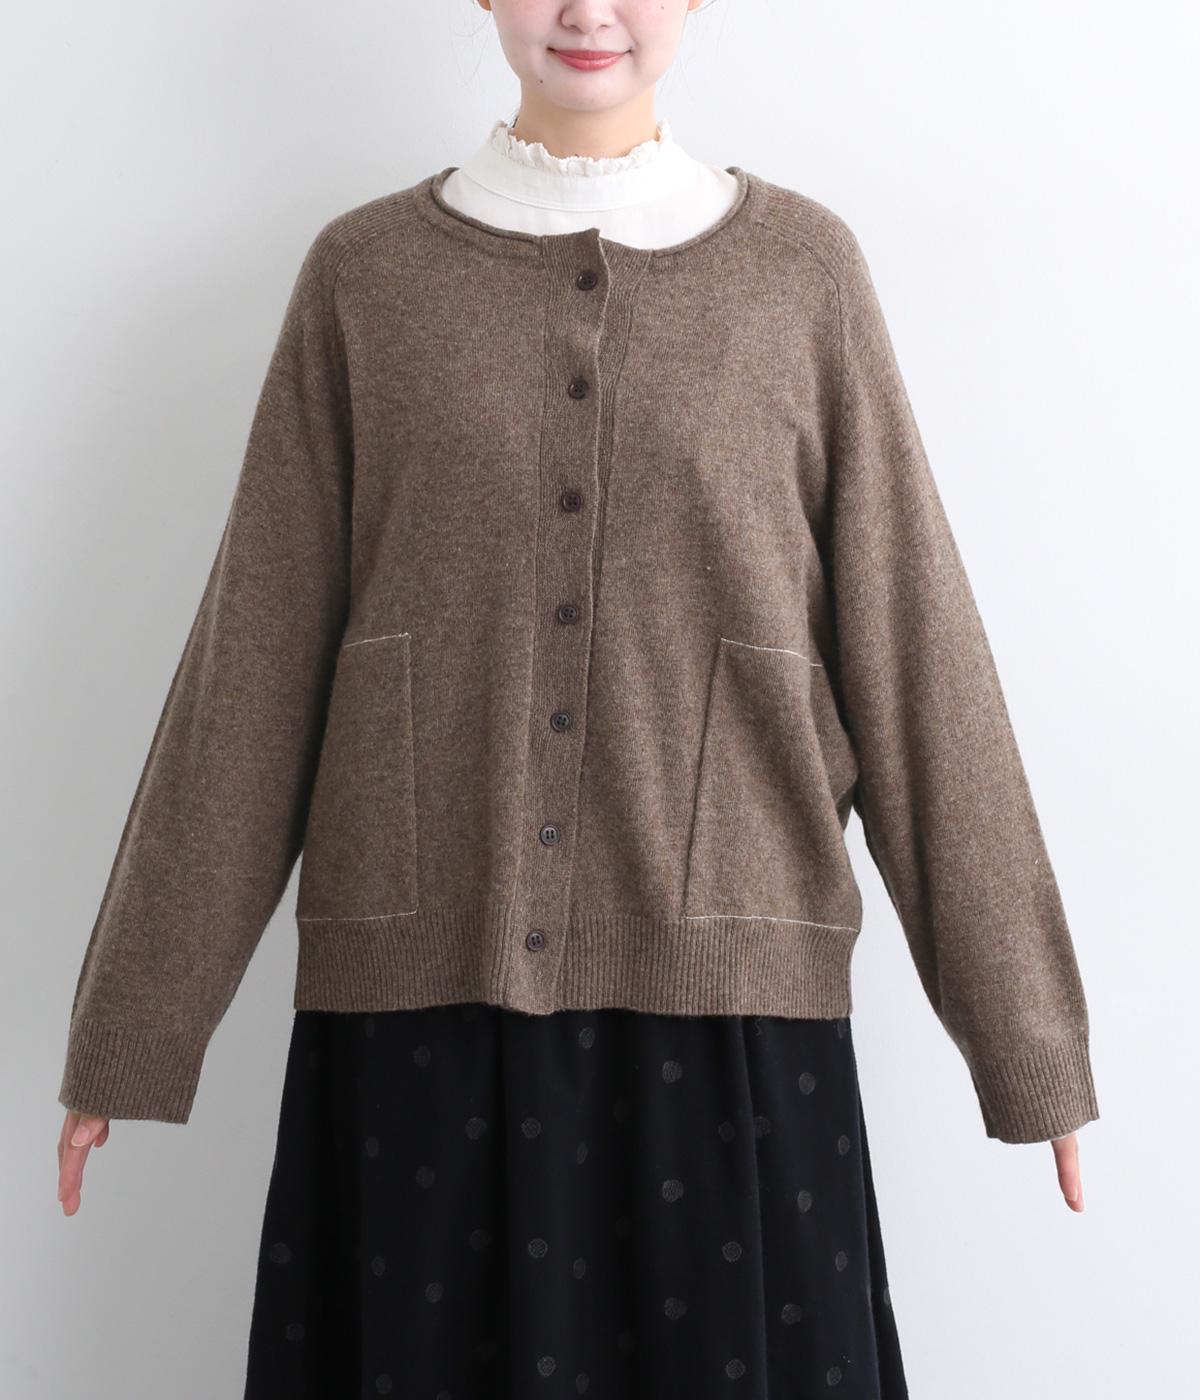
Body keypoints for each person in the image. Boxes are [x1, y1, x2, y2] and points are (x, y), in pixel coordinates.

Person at [56, 2, 1099, 1395]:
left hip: (733, 1035)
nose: (590, 10)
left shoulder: (802, 278)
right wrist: (136, 1024)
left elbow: (919, 659)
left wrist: (1028, 1041)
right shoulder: (364, 281)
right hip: (424, 1025)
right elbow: (252, 670)